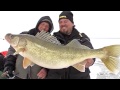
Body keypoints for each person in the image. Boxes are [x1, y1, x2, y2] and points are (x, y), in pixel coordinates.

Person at [46, 11, 95, 79]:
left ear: (72, 23)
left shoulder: (81, 37)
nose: (63, 24)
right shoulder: (53, 38)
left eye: (65, 21)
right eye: (60, 22)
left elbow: (91, 52)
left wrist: (91, 61)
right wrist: (44, 69)